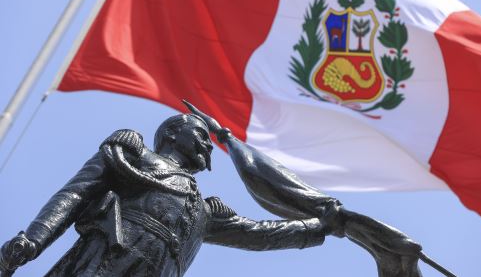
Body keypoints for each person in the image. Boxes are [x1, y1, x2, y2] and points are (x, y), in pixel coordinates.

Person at [0, 113, 335, 277]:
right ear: (173, 133)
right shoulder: (133, 156)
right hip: (105, 264)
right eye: (201, 135)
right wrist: (33, 240)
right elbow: (74, 195)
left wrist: (317, 228)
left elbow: (257, 235)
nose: (208, 144)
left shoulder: (203, 212)